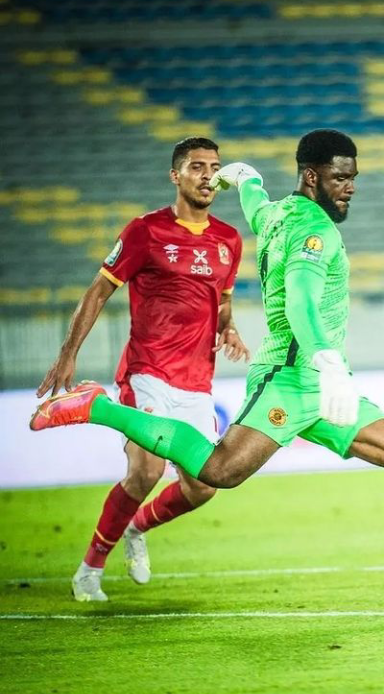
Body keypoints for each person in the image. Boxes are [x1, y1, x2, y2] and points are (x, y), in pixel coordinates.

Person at [31, 129, 384, 593]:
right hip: (292, 380)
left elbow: (255, 202)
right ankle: (99, 407)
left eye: (353, 177)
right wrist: (328, 363)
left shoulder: (276, 215)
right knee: (219, 472)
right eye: (340, 178)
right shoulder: (315, 232)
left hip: (324, 385)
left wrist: (245, 179)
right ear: (313, 177)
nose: (350, 187)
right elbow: (301, 301)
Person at [35, 136, 249, 601]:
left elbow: (222, 301)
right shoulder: (145, 231)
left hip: (197, 383)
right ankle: (90, 570)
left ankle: (137, 527)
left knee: (205, 487)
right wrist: (68, 352)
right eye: (197, 166)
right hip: (146, 372)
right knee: (145, 471)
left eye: (215, 167)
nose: (208, 175)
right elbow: (98, 291)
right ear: (175, 175)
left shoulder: (229, 240)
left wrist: (229, 328)